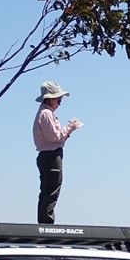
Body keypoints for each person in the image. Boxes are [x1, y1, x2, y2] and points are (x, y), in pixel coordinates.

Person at [33, 81, 83, 224]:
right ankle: (46, 225)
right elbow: (55, 137)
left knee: (47, 191)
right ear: (49, 99)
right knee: (51, 191)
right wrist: (70, 128)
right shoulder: (46, 114)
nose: (60, 103)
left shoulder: (44, 113)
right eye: (58, 99)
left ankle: (44, 224)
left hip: (48, 155)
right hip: (50, 155)